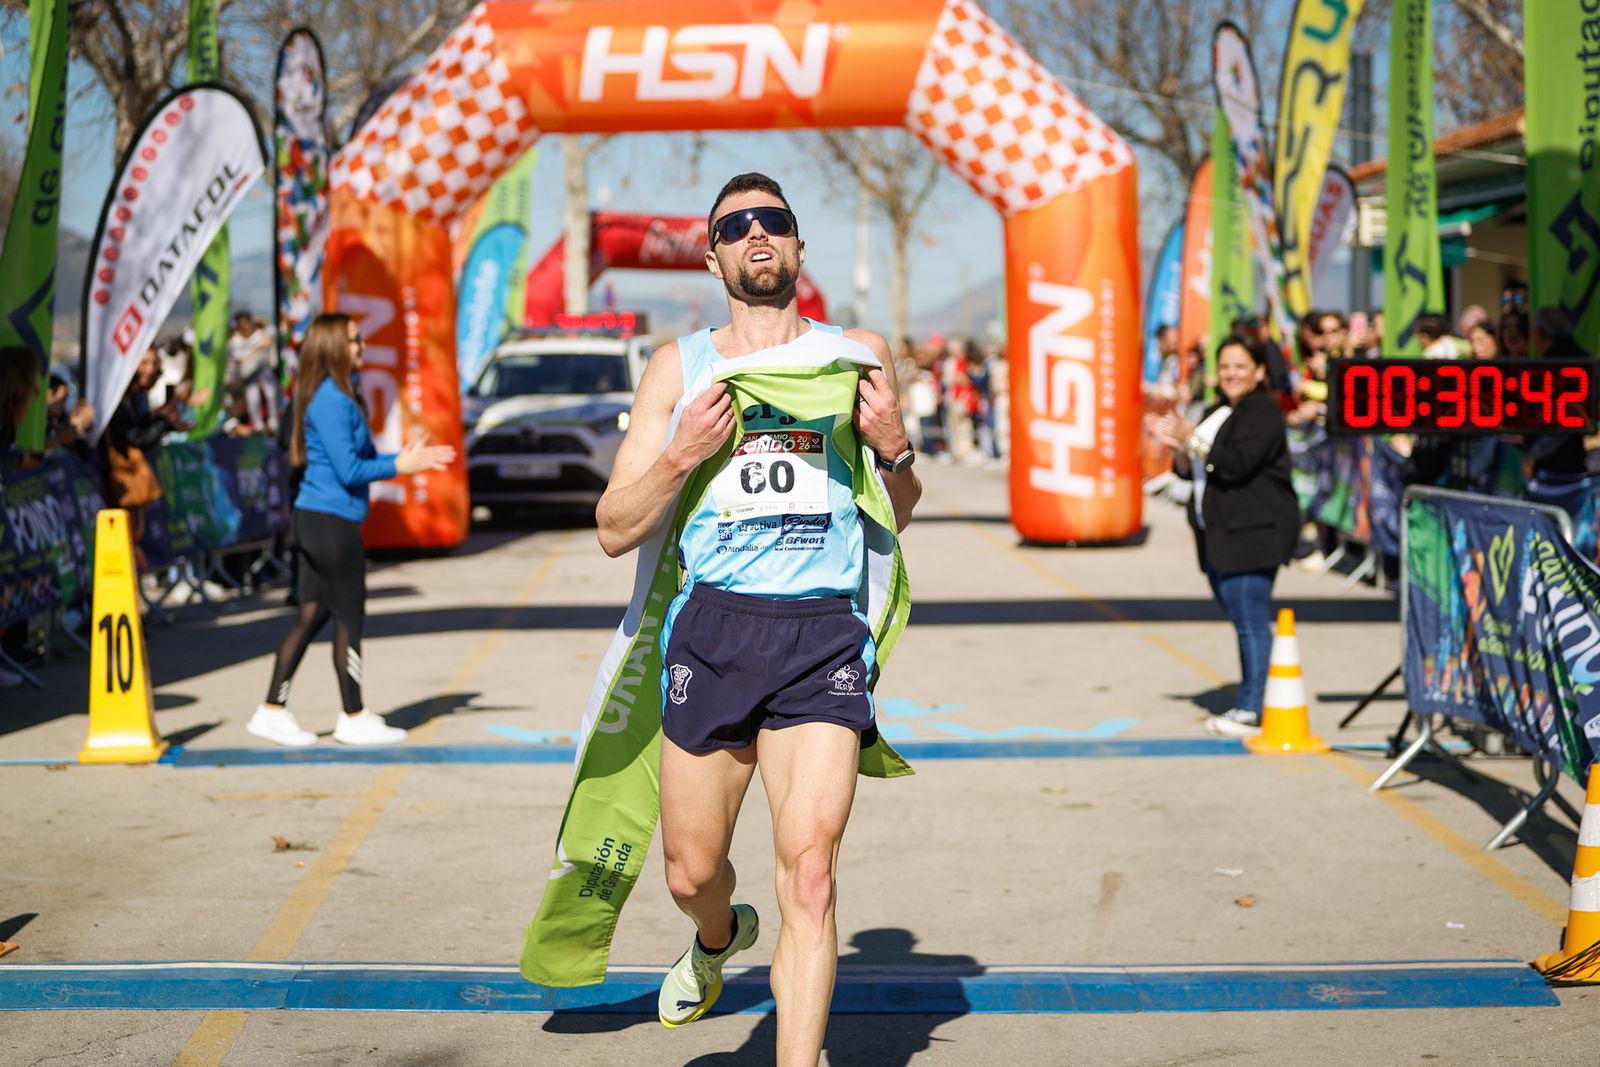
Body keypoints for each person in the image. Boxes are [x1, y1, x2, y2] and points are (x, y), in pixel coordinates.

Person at [594, 172, 920, 1062]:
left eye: (773, 220)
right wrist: (681, 455)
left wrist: (894, 447)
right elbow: (613, 529)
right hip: (714, 631)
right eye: (735, 226)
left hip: (820, 636)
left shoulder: (857, 352)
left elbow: (904, 498)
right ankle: (716, 933)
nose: (756, 234)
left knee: (810, 875)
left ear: (799, 246)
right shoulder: (680, 367)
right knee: (689, 871)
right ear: (714, 256)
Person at [248, 313, 454, 747]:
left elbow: (350, 459)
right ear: (334, 348)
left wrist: (401, 455)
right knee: (349, 618)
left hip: (320, 518)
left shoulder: (335, 395)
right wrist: (402, 464)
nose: (362, 347)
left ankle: (271, 710)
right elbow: (350, 469)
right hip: (329, 522)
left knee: (311, 615)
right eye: (356, 341)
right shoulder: (332, 400)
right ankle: (353, 714)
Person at [1147, 336, 1298, 737]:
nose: (1231, 374)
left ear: (1260, 371)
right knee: (1241, 617)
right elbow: (1191, 468)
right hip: (1218, 533)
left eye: (1241, 366)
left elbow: (1235, 464)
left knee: (1251, 620)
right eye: (1226, 366)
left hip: (1254, 531)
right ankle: (1257, 695)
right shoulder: (1217, 410)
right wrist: (1179, 446)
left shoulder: (1262, 411)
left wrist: (1191, 440)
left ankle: (1251, 708)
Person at [1522, 307, 1595, 557]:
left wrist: (1534, 454)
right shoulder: (1583, 360)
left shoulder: (1560, 366)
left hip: (1568, 475)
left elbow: (1567, 422)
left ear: (1543, 335)